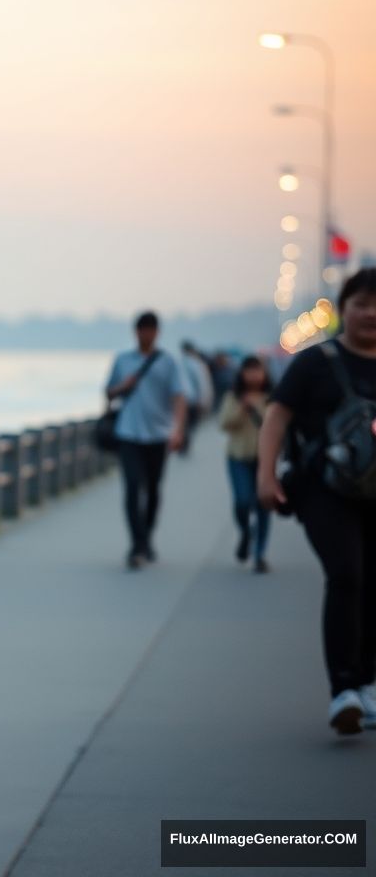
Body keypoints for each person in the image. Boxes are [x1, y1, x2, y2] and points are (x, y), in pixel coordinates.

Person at [258, 267, 376, 736]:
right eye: (362, 303)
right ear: (342, 308)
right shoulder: (317, 361)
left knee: (374, 584)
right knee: (346, 574)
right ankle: (343, 689)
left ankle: (366, 682)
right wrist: (266, 476)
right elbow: (275, 417)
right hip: (323, 490)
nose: (371, 314)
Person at [104, 311, 189, 569]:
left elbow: (179, 398)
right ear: (136, 332)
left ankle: (146, 537)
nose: (146, 334)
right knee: (132, 488)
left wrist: (178, 430)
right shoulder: (122, 360)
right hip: (128, 433)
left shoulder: (167, 363)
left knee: (152, 490)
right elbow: (108, 392)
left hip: (158, 435)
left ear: (157, 332)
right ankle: (137, 545)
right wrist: (123, 386)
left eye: (151, 330)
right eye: (142, 330)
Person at [217, 356, 273, 573]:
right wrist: (242, 408)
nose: (253, 376)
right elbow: (224, 423)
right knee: (242, 501)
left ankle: (260, 554)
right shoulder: (233, 396)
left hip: (264, 458)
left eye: (257, 371)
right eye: (249, 371)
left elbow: (276, 425)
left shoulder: (272, 398)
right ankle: (246, 532)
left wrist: (257, 409)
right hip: (238, 457)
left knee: (263, 505)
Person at [178, 341, 214, 455]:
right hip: (193, 400)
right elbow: (203, 384)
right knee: (190, 424)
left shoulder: (179, 363)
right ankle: (184, 444)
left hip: (181, 399)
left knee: (183, 423)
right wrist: (204, 401)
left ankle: (183, 444)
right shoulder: (197, 364)